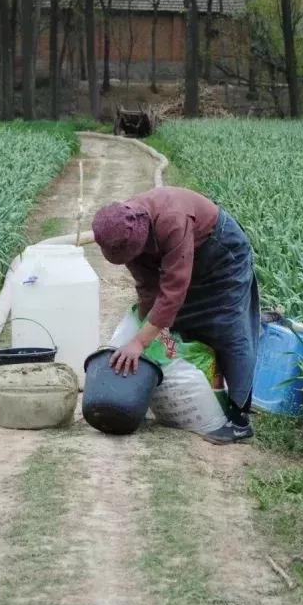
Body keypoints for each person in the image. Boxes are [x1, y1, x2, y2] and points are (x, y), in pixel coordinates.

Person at [91, 187, 260, 444]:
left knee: (228, 328)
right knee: (180, 325)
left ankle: (239, 419)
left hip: (222, 256)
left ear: (142, 232)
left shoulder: (171, 219)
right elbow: (149, 289)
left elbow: (173, 292)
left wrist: (139, 342)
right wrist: (160, 339)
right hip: (188, 258)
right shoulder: (123, 233)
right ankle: (214, 395)